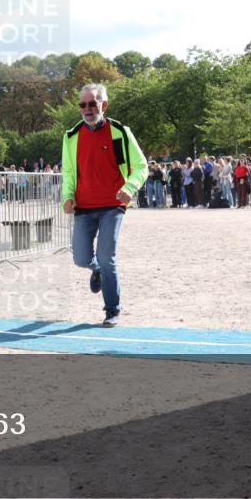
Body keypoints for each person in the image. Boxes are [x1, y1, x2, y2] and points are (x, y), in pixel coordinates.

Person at [61, 83, 147, 327]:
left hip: (113, 205)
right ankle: (96, 269)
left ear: (104, 105)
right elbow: (68, 172)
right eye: (83, 104)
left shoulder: (120, 132)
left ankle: (112, 309)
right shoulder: (71, 136)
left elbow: (141, 166)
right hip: (84, 207)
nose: (87, 109)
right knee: (80, 258)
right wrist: (67, 196)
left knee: (107, 257)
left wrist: (129, 188)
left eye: (92, 103)